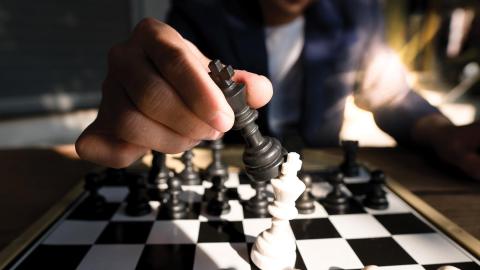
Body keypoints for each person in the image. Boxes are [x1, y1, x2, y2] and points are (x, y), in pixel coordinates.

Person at [75, 0, 480, 181]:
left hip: (315, 164)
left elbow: (388, 94)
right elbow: (169, 71)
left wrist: (442, 133)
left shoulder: (357, 10)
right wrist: (144, 99)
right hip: (235, 168)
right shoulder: (202, 11)